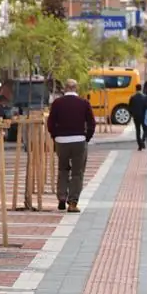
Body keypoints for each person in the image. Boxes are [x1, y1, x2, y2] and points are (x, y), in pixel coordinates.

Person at [46, 79, 96, 213]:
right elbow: (92, 122)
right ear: (76, 88)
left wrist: (55, 136)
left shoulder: (57, 103)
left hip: (61, 141)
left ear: (65, 88)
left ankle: (62, 197)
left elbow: (50, 123)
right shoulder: (84, 103)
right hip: (79, 140)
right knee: (77, 172)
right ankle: (73, 202)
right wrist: (87, 137)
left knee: (63, 169)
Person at [128, 85, 147, 151]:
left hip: (136, 116)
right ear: (141, 89)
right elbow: (146, 107)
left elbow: (129, 107)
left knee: (138, 131)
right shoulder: (145, 97)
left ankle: (140, 145)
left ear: (135, 89)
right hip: (143, 116)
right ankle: (142, 140)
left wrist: (132, 114)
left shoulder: (132, 97)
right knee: (145, 130)